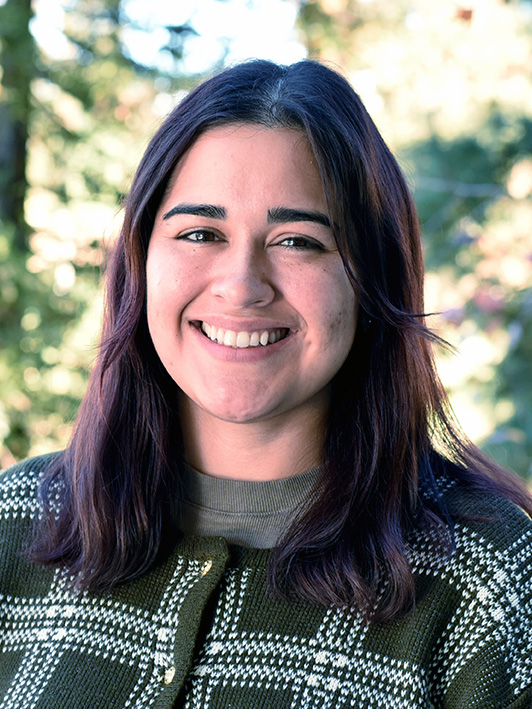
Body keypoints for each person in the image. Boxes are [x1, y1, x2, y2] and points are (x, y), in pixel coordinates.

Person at [0, 59, 531, 709]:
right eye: (201, 232)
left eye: (297, 241)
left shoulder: (488, 576)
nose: (242, 285)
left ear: (370, 279)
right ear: (139, 262)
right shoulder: (16, 520)